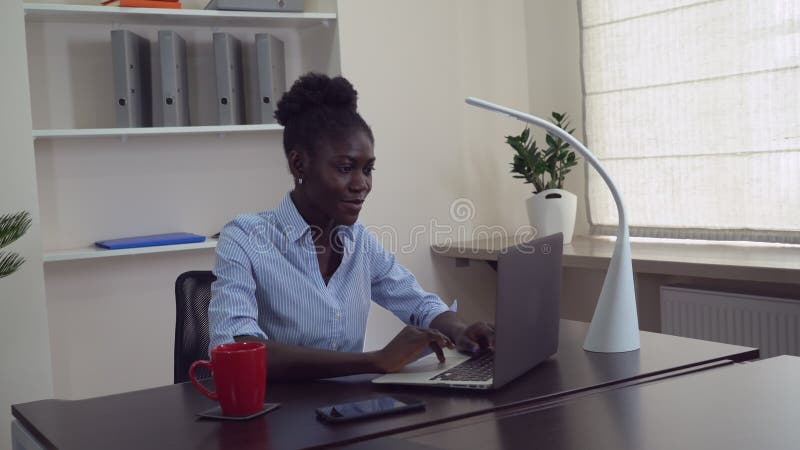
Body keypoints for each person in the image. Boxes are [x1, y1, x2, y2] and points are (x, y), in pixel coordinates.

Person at [209, 72, 494, 381]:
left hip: (346, 413)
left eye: (368, 169)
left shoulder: (359, 243)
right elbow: (238, 346)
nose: (361, 185)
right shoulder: (245, 237)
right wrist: (374, 362)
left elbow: (420, 304)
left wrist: (462, 331)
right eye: (345, 168)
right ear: (298, 164)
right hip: (277, 415)